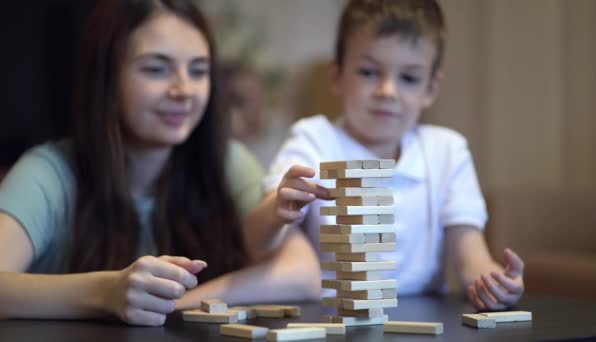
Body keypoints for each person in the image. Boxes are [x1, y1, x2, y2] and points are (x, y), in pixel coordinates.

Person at [0, 0, 319, 326]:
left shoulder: (227, 162)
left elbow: (302, 272)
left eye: (198, 70)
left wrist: (178, 303)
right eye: (156, 69)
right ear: (106, 78)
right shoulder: (48, 172)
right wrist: (105, 292)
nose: (183, 90)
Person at [246, 0, 525, 311]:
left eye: (409, 78)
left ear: (430, 89)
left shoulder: (447, 151)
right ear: (337, 76)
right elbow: (257, 240)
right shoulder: (314, 139)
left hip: (422, 317)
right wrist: (277, 209)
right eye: (368, 72)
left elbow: (471, 258)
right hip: (330, 315)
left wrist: (495, 283)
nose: (387, 91)